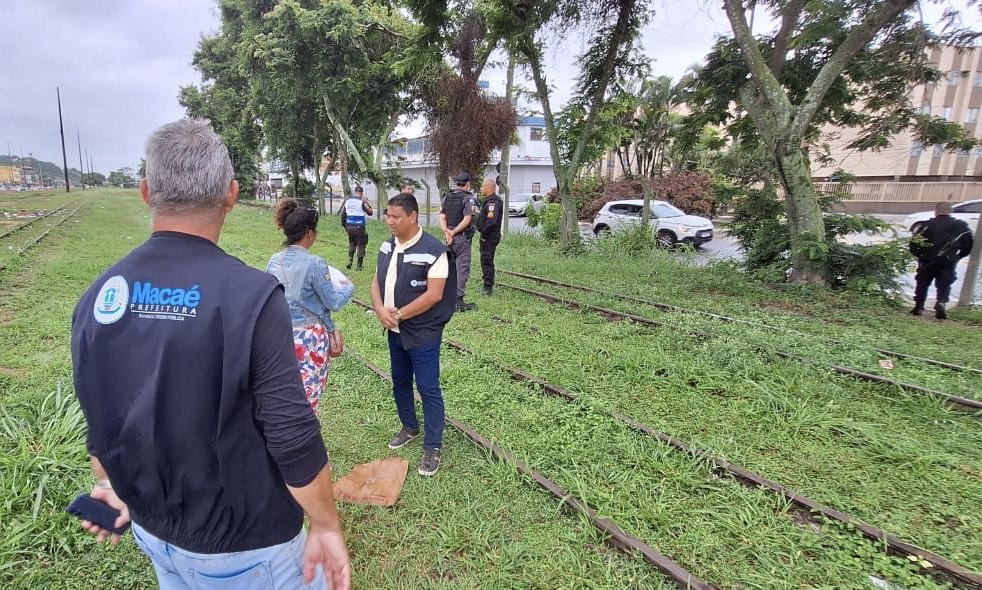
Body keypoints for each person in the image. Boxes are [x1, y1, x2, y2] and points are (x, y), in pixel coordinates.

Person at [70, 119, 351, 590]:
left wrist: (107, 486)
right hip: (248, 546)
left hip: (153, 532)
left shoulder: (100, 295)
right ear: (231, 194)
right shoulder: (252, 297)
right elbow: (292, 434)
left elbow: (102, 415)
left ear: (145, 192)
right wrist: (325, 524)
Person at [370, 193, 457, 476]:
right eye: (387, 215)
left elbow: (434, 295)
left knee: (429, 388)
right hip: (394, 329)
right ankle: (409, 426)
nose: (389, 221)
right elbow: (376, 280)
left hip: (423, 332)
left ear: (412, 216)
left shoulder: (434, 250)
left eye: (395, 216)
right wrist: (381, 308)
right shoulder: (386, 246)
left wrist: (397, 314)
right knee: (399, 380)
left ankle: (433, 446)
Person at [267, 198, 355, 411]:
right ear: (309, 233)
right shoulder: (314, 264)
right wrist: (348, 287)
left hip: (279, 333)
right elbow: (334, 302)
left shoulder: (274, 261)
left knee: (284, 389)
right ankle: (302, 438)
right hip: (309, 338)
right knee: (309, 391)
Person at [909, 201, 974, 319]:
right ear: (950, 211)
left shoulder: (925, 225)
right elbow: (968, 245)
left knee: (922, 283)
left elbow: (913, 244)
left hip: (927, 260)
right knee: (944, 283)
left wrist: (920, 256)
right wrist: (958, 257)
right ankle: (941, 302)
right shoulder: (961, 226)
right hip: (948, 260)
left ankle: (919, 306)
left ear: (936, 211)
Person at [439, 172, 478, 312]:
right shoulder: (468, 198)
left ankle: (446, 297)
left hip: (448, 238)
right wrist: (454, 232)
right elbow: (467, 219)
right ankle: (458, 301)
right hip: (461, 237)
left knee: (449, 268)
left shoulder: (448, 197)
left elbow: (442, 217)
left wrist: (447, 232)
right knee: (462, 268)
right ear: (468, 184)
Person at [475, 178, 503, 296]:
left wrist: (484, 235)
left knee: (487, 260)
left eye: (482, 186)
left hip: (490, 236)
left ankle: (488, 287)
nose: (481, 189)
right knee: (485, 259)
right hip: (488, 235)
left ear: (489, 188)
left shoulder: (493, 203)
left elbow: (491, 222)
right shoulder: (489, 201)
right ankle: (486, 283)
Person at [340, 186, 374, 271]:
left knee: (352, 243)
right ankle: (359, 266)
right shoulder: (361, 202)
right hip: (359, 227)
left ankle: (350, 261)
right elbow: (370, 213)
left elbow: (343, 215)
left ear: (355, 192)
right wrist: (367, 203)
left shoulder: (347, 202)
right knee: (361, 245)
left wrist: (345, 226)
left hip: (349, 226)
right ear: (362, 193)